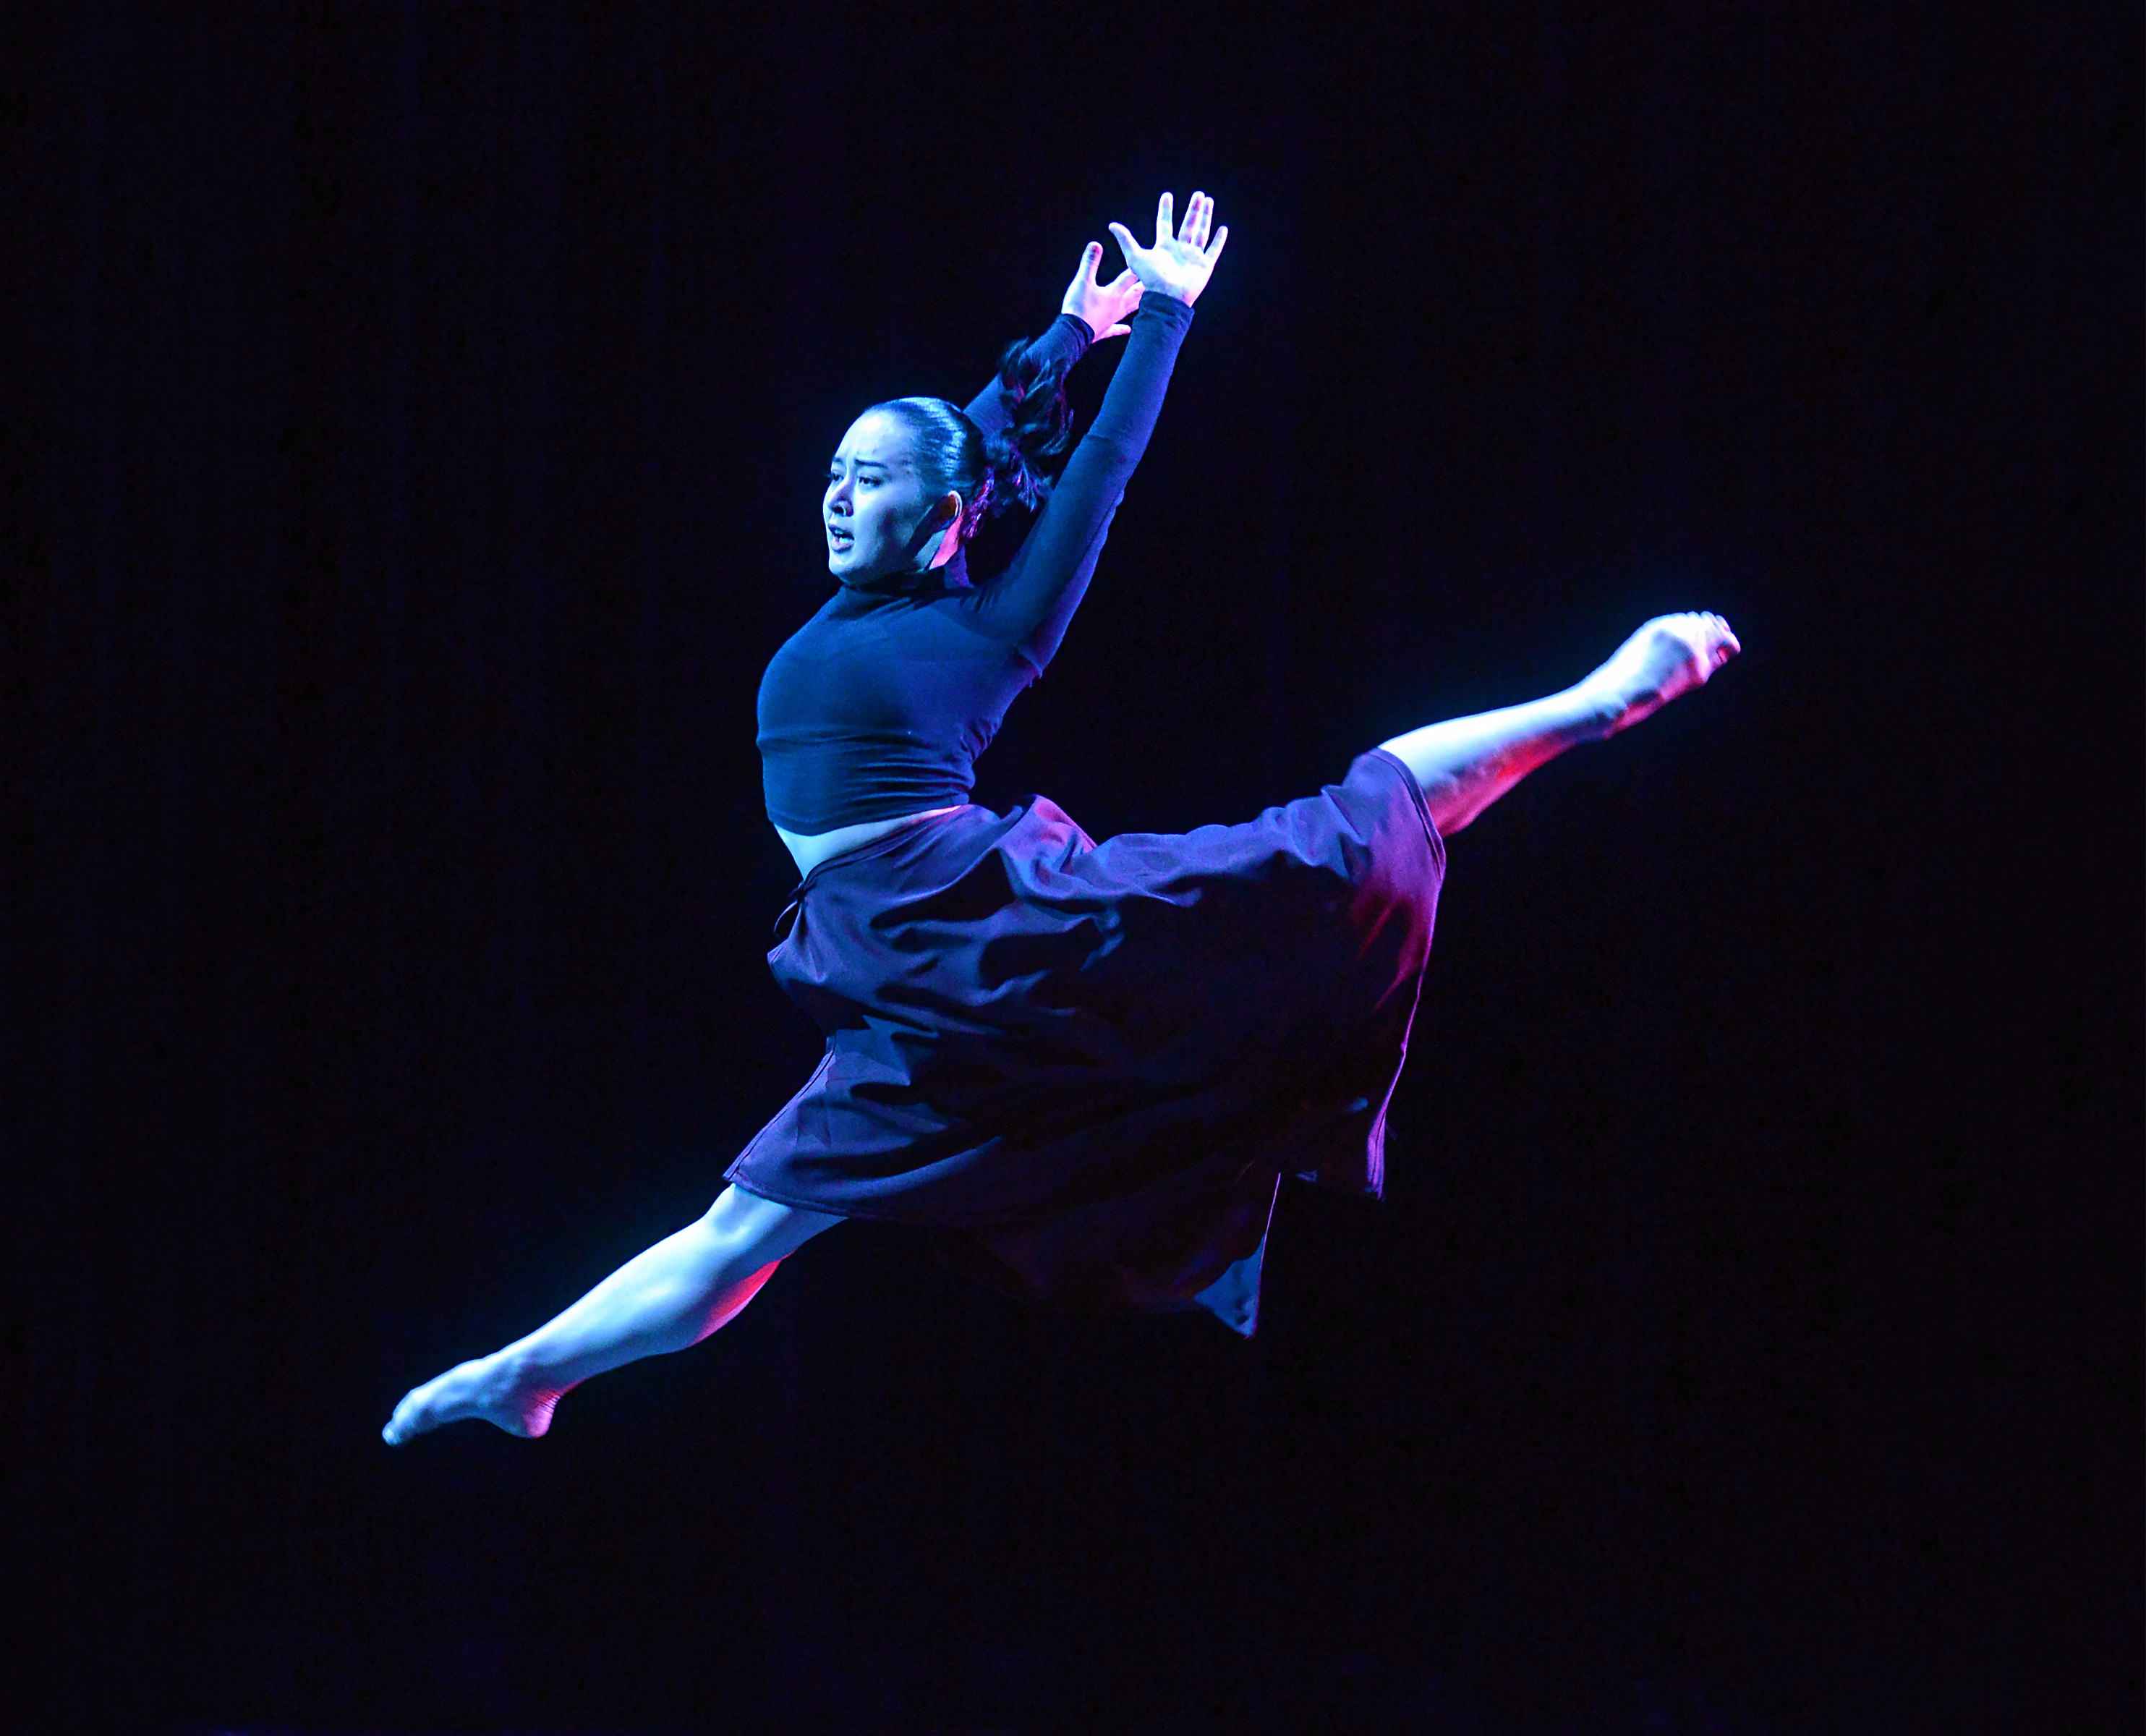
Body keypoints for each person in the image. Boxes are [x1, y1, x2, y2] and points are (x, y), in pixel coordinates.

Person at [383, 190, 1738, 1447]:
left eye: (868, 480)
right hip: (891, 963)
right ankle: (528, 1377)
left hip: (975, 925)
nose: (838, 496)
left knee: (1349, 826)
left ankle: (1599, 700)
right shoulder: (880, 592)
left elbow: (1095, 472)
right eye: (834, 473)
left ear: (943, 516)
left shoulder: (989, 628)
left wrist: (1164, 322)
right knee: (748, 1227)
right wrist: (1069, 332)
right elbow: (966, 437)